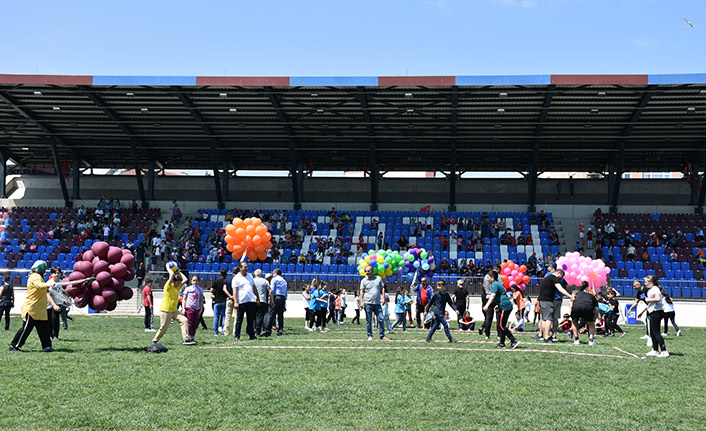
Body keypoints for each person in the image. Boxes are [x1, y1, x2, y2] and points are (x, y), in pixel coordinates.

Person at [152, 267, 192, 346]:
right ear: (173, 281)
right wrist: (168, 268)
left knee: (184, 320)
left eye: (179, 282)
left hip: (174, 311)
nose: (179, 284)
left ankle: (186, 339)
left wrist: (179, 271)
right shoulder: (168, 286)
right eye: (177, 282)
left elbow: (186, 279)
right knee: (164, 327)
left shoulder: (177, 287)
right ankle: (154, 341)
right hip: (166, 310)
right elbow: (172, 274)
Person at [483, 271, 520, 349]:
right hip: (502, 305)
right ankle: (502, 343)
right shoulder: (496, 284)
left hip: (504, 306)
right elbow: (501, 295)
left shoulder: (495, 285)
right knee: (501, 325)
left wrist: (487, 305)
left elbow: (493, 296)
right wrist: (497, 305)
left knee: (501, 325)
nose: (487, 279)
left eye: (488, 277)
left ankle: (513, 340)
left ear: (492, 278)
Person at [536, 268, 571, 343]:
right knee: (549, 319)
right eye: (561, 277)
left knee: (544, 319)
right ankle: (547, 337)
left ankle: (545, 335)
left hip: (542, 300)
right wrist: (570, 296)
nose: (560, 279)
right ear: (559, 273)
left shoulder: (546, 278)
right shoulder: (554, 278)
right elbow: (560, 289)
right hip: (548, 300)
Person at [359, 265, 389, 341]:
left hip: (377, 303)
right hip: (367, 303)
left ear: (372, 271)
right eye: (366, 271)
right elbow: (361, 292)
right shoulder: (363, 281)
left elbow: (382, 288)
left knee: (381, 319)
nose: (367, 272)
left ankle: (382, 336)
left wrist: (383, 298)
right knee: (368, 320)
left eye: (368, 271)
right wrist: (362, 302)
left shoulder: (378, 279)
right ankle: (370, 336)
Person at [232, 261, 260, 342]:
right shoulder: (236, 278)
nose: (246, 268)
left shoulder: (250, 276)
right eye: (245, 267)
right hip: (241, 301)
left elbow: (254, 287)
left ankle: (251, 335)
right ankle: (237, 336)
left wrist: (257, 297)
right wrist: (236, 302)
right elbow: (235, 291)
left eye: (247, 267)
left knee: (250, 320)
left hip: (251, 301)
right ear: (240, 268)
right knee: (239, 320)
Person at [644, 275, 669, 357]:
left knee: (656, 332)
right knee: (652, 332)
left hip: (656, 312)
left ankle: (664, 351)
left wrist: (648, 300)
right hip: (653, 312)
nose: (645, 283)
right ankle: (655, 350)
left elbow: (658, 299)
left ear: (651, 282)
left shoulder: (655, 289)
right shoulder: (651, 289)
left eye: (646, 282)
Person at [570, 281, 599, 345]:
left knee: (574, 322)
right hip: (587, 307)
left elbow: (572, 302)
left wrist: (571, 311)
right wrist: (595, 317)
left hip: (576, 307)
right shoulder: (592, 296)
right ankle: (591, 340)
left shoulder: (576, 294)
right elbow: (596, 309)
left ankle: (576, 339)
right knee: (591, 324)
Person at [264, 268, 287, 336]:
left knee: (271, 313)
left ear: (275, 273)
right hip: (282, 297)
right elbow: (285, 292)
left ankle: (268, 330)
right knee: (280, 315)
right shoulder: (284, 280)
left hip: (276, 297)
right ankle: (280, 330)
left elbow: (272, 289)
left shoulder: (274, 279)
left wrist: (270, 299)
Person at [182, 275, 205, 345]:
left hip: (196, 308)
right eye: (193, 280)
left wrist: (201, 308)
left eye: (196, 280)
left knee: (195, 323)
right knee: (190, 323)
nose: (195, 282)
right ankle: (187, 337)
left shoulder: (200, 290)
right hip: (189, 307)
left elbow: (201, 300)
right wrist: (183, 308)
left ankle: (192, 337)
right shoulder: (188, 289)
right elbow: (184, 299)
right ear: (191, 281)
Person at [252, 269, 270, 337]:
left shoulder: (252, 280)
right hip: (262, 300)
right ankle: (258, 330)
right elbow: (270, 291)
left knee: (252, 316)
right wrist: (271, 299)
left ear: (255, 274)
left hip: (253, 300)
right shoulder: (265, 281)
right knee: (260, 316)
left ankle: (251, 329)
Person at [211, 269, 228, 335]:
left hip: (217, 301)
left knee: (216, 317)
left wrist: (213, 295)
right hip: (224, 301)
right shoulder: (226, 281)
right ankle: (223, 331)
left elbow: (212, 290)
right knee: (224, 316)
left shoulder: (216, 281)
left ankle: (215, 332)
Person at [222, 268, 237, 336]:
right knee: (236, 316)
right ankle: (235, 331)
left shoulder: (227, 280)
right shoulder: (238, 280)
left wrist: (230, 296)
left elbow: (224, 289)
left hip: (229, 299)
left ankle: (226, 331)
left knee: (228, 316)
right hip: (236, 300)